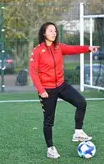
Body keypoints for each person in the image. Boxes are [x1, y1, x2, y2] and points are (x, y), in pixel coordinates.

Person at [29, 22, 99, 159]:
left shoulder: (59, 47)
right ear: (44, 33)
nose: (54, 33)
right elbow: (33, 72)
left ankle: (78, 132)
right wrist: (41, 90)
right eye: (50, 31)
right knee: (49, 120)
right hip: (47, 90)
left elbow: (73, 49)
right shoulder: (37, 51)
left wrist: (88, 48)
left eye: (55, 31)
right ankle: (50, 148)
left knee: (81, 103)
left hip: (61, 85)